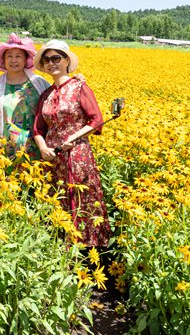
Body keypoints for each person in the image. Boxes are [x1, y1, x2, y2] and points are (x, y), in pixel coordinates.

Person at [32, 40, 111, 248]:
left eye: (56, 58)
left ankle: (87, 252)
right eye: (47, 60)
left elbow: (96, 120)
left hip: (78, 155)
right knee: (58, 201)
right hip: (53, 157)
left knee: (82, 199)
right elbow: (38, 129)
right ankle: (61, 248)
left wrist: (74, 137)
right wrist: (43, 148)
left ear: (67, 60)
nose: (51, 63)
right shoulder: (45, 95)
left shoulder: (79, 87)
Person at [0, 33, 50, 161]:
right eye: (9, 56)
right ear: (3, 60)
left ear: (26, 60)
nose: (13, 60)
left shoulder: (39, 82)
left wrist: (75, 82)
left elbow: (57, 96)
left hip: (38, 147)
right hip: (7, 148)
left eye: (18, 56)